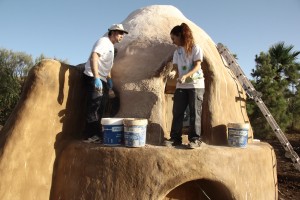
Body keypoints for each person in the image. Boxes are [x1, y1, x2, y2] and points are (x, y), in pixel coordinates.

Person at [83, 24, 128, 143]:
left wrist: (109, 80)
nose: (122, 36)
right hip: (93, 76)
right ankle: (89, 135)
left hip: (102, 79)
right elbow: (94, 56)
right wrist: (96, 77)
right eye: (120, 33)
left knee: (101, 107)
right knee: (94, 107)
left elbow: (107, 67)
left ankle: (96, 135)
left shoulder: (111, 47)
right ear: (113, 33)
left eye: (123, 34)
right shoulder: (103, 41)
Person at [164, 23, 205, 149]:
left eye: (173, 38)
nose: (173, 42)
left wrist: (185, 76)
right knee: (177, 112)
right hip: (181, 86)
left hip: (196, 85)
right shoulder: (177, 52)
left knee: (195, 113)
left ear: (180, 36)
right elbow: (176, 68)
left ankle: (195, 139)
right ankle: (175, 138)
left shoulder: (195, 48)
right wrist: (173, 72)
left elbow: (197, 66)